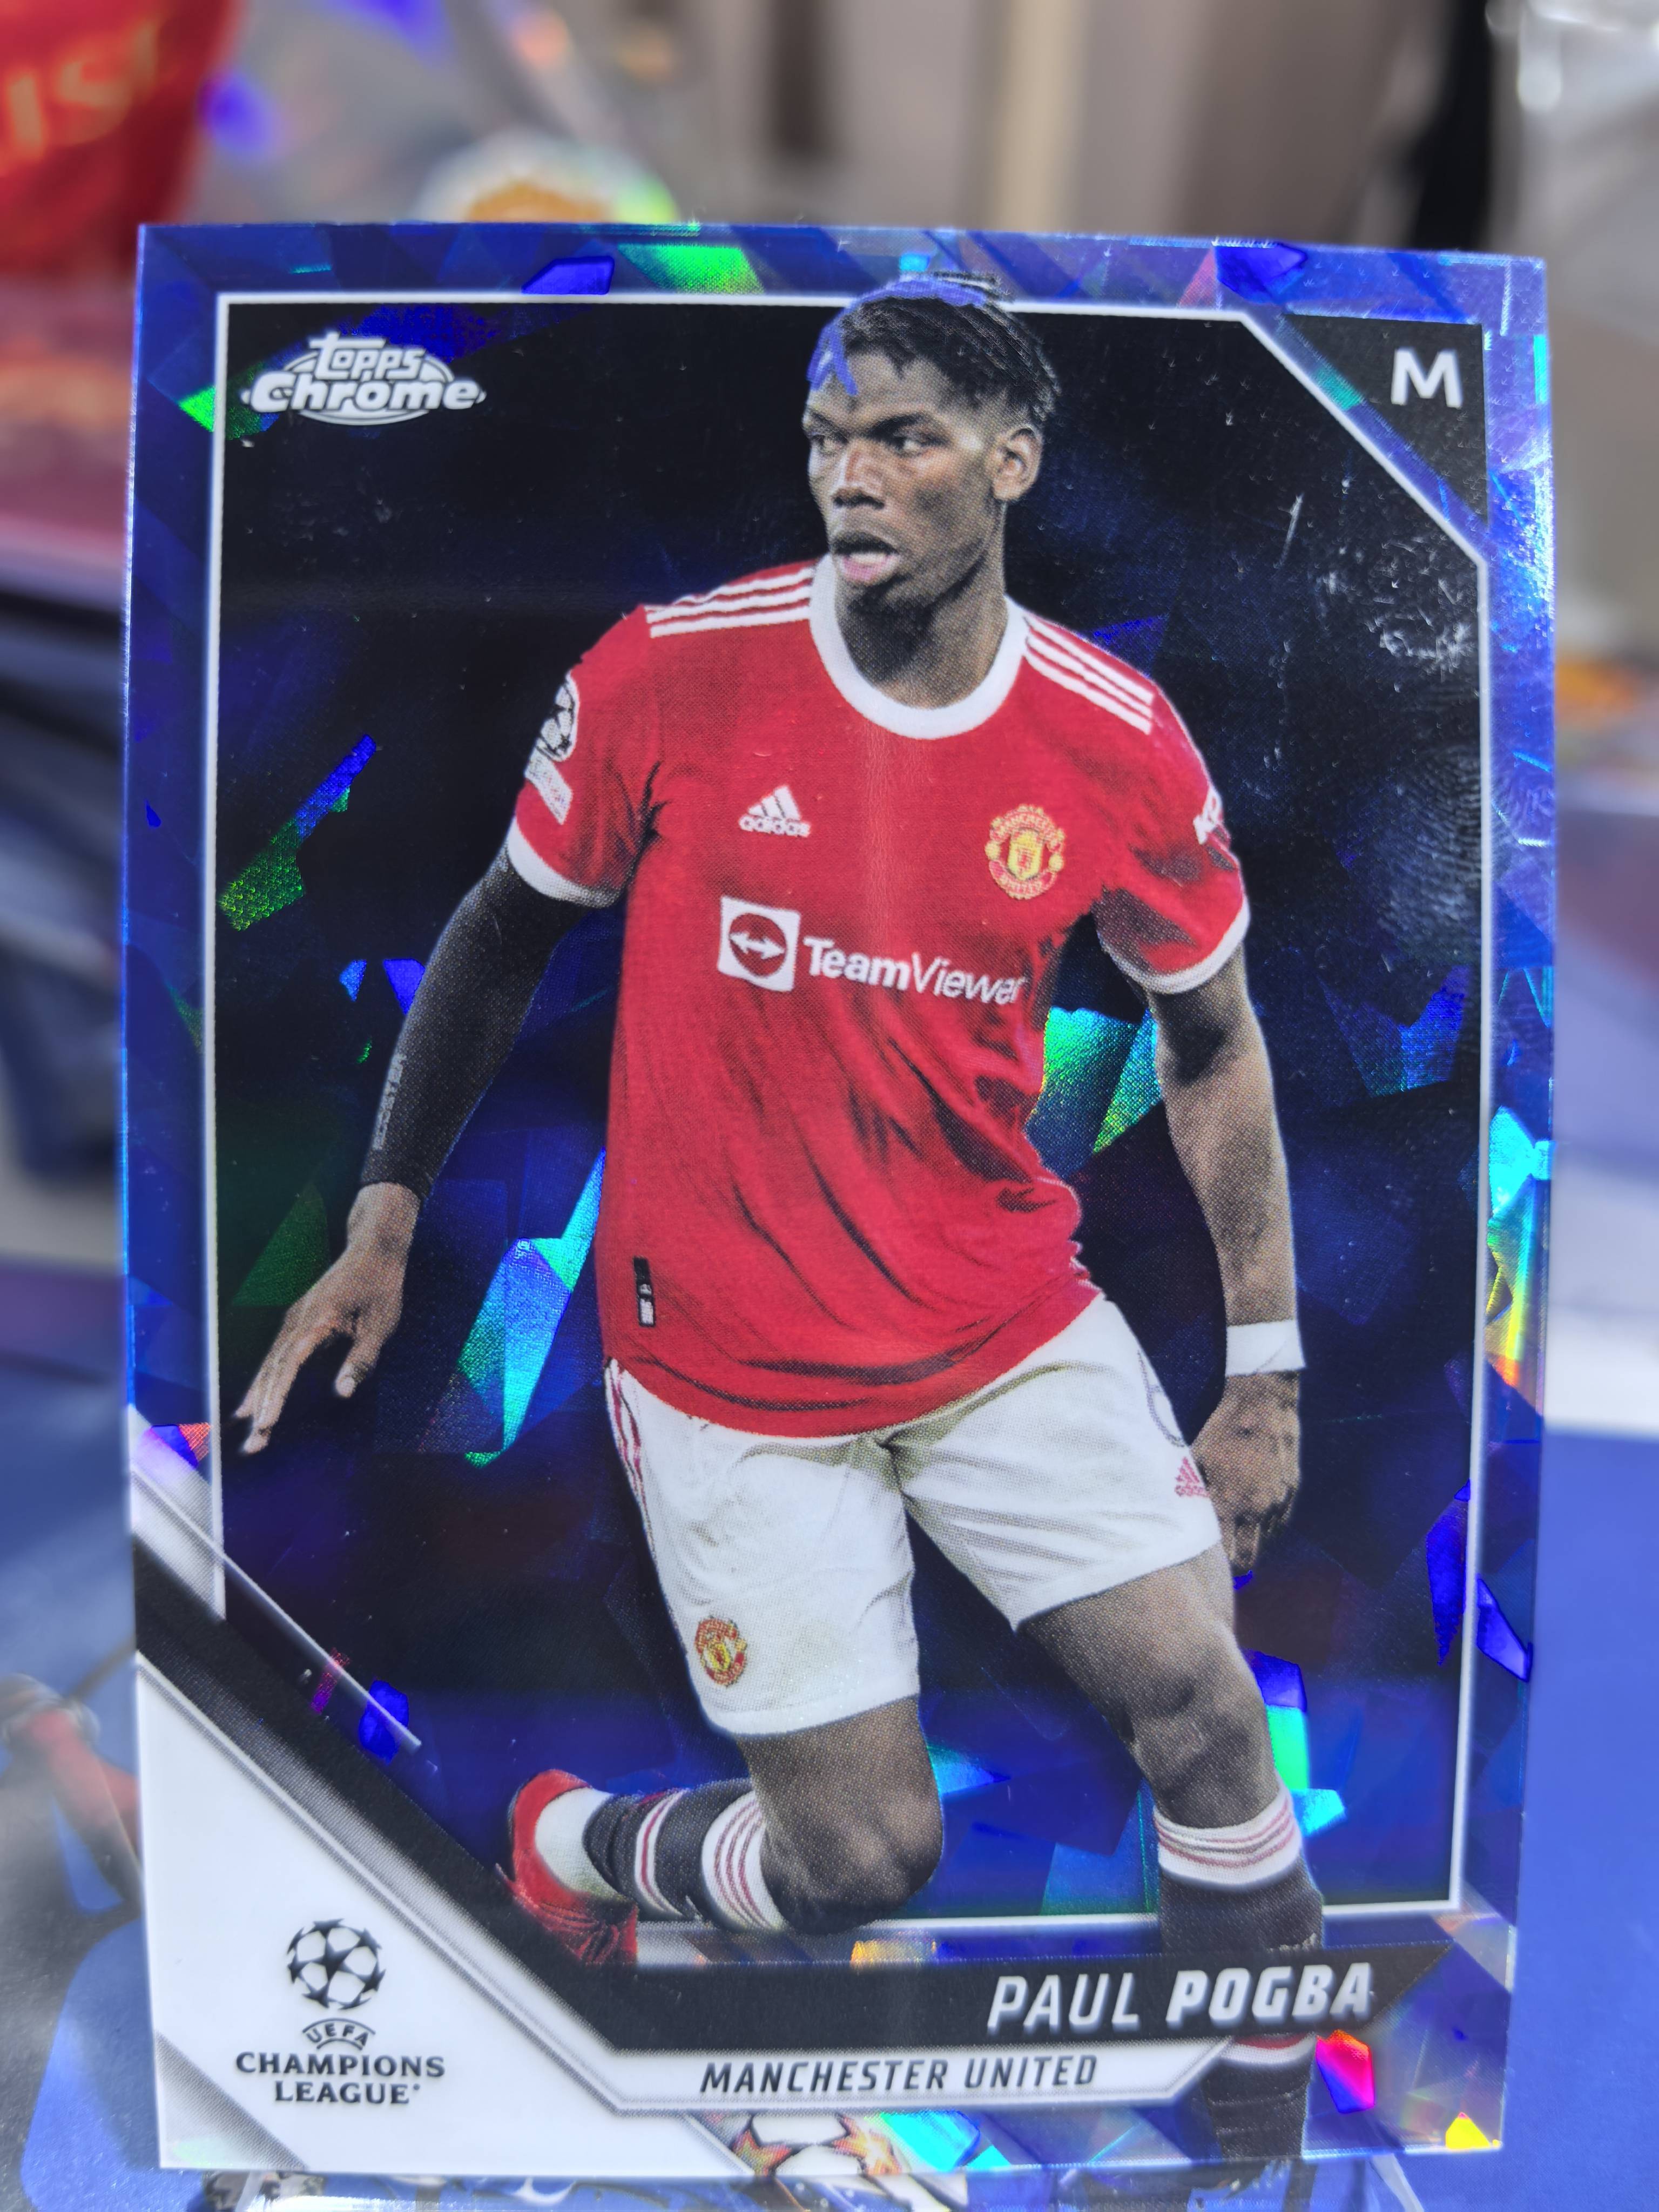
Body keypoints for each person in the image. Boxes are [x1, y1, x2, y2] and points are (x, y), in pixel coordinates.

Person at [237, 275, 1318, 2157]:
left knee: (1212, 1723)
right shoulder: (669, 673)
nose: (852, 477)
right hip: (729, 1376)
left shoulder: (1116, 738)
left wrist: (1268, 1370)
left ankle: (1259, 2142)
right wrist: (387, 1215)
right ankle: (575, 1844)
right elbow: (496, 933)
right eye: (828, 441)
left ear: (1012, 460)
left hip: (1003, 1330)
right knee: (857, 1865)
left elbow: (1210, 1036)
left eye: (903, 439)